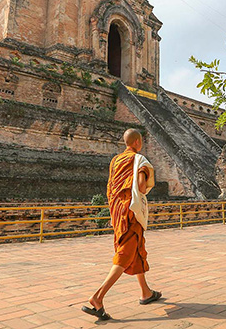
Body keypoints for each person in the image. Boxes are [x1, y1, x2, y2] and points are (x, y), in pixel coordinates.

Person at [81, 128, 162, 320]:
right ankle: (98, 297)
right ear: (137, 142)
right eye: (140, 141)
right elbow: (141, 187)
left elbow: (111, 187)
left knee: (137, 248)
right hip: (131, 211)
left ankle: (146, 292)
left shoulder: (115, 161)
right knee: (126, 253)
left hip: (117, 209)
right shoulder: (139, 160)